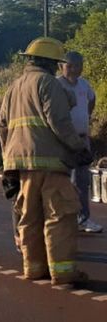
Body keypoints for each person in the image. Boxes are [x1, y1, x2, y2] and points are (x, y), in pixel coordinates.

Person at [0, 37, 92, 286]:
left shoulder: (14, 87)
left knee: (30, 217)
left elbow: (2, 126)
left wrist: (8, 159)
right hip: (50, 162)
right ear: (51, 63)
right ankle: (63, 273)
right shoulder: (48, 83)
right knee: (60, 216)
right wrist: (78, 147)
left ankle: (34, 268)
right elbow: (59, 122)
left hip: (22, 165)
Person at [58, 51, 102, 233]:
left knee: (82, 181)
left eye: (78, 65)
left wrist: (86, 116)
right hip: (62, 141)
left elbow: (92, 100)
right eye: (70, 65)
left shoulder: (84, 84)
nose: (75, 69)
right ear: (61, 66)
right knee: (60, 180)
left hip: (82, 139)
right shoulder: (57, 85)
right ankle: (61, 219)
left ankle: (83, 218)